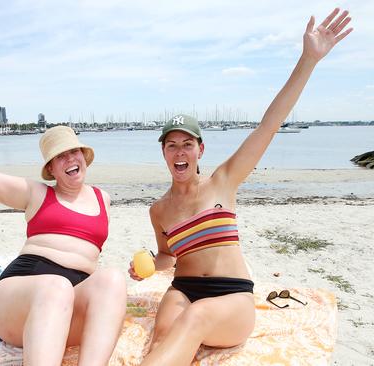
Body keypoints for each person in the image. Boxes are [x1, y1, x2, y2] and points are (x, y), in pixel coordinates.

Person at [128, 8, 353, 366]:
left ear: (200, 149)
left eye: (188, 143)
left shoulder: (224, 180)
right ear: (164, 153)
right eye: (172, 145)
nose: (180, 151)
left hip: (231, 295)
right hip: (183, 289)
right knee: (160, 341)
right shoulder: (158, 210)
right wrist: (147, 266)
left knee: (195, 320)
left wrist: (308, 59)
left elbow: (269, 123)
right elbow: (168, 256)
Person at [0, 93, 127, 366]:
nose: (69, 159)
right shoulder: (36, 194)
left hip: (65, 309)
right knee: (57, 286)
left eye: (73, 152)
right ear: (51, 169)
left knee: (112, 278)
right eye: (59, 157)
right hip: (18, 303)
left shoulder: (103, 198)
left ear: (84, 156)